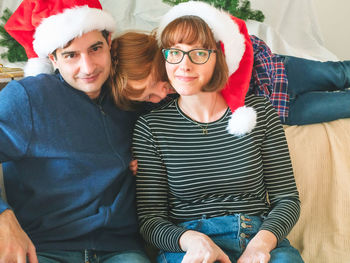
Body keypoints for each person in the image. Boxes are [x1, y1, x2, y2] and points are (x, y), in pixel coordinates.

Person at [132, 1, 304, 263]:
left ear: (220, 56)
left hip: (258, 237)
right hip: (189, 245)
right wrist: (193, 241)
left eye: (198, 53)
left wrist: (261, 245)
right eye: (174, 52)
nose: (183, 65)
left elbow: (287, 199)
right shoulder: (150, 128)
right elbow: (150, 220)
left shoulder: (258, 112)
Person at [0, 0, 150, 262]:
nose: (88, 67)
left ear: (110, 43)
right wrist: (3, 216)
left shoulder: (128, 94)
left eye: (95, 49)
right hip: (44, 247)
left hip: (120, 249)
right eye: (71, 55)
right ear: (53, 59)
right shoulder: (26, 99)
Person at [109, 25, 350, 126]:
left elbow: (246, 43)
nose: (160, 94)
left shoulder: (194, 46)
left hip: (282, 73)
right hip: (284, 111)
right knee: (344, 104)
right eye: (148, 97)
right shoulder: (164, 106)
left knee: (338, 73)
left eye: (157, 83)